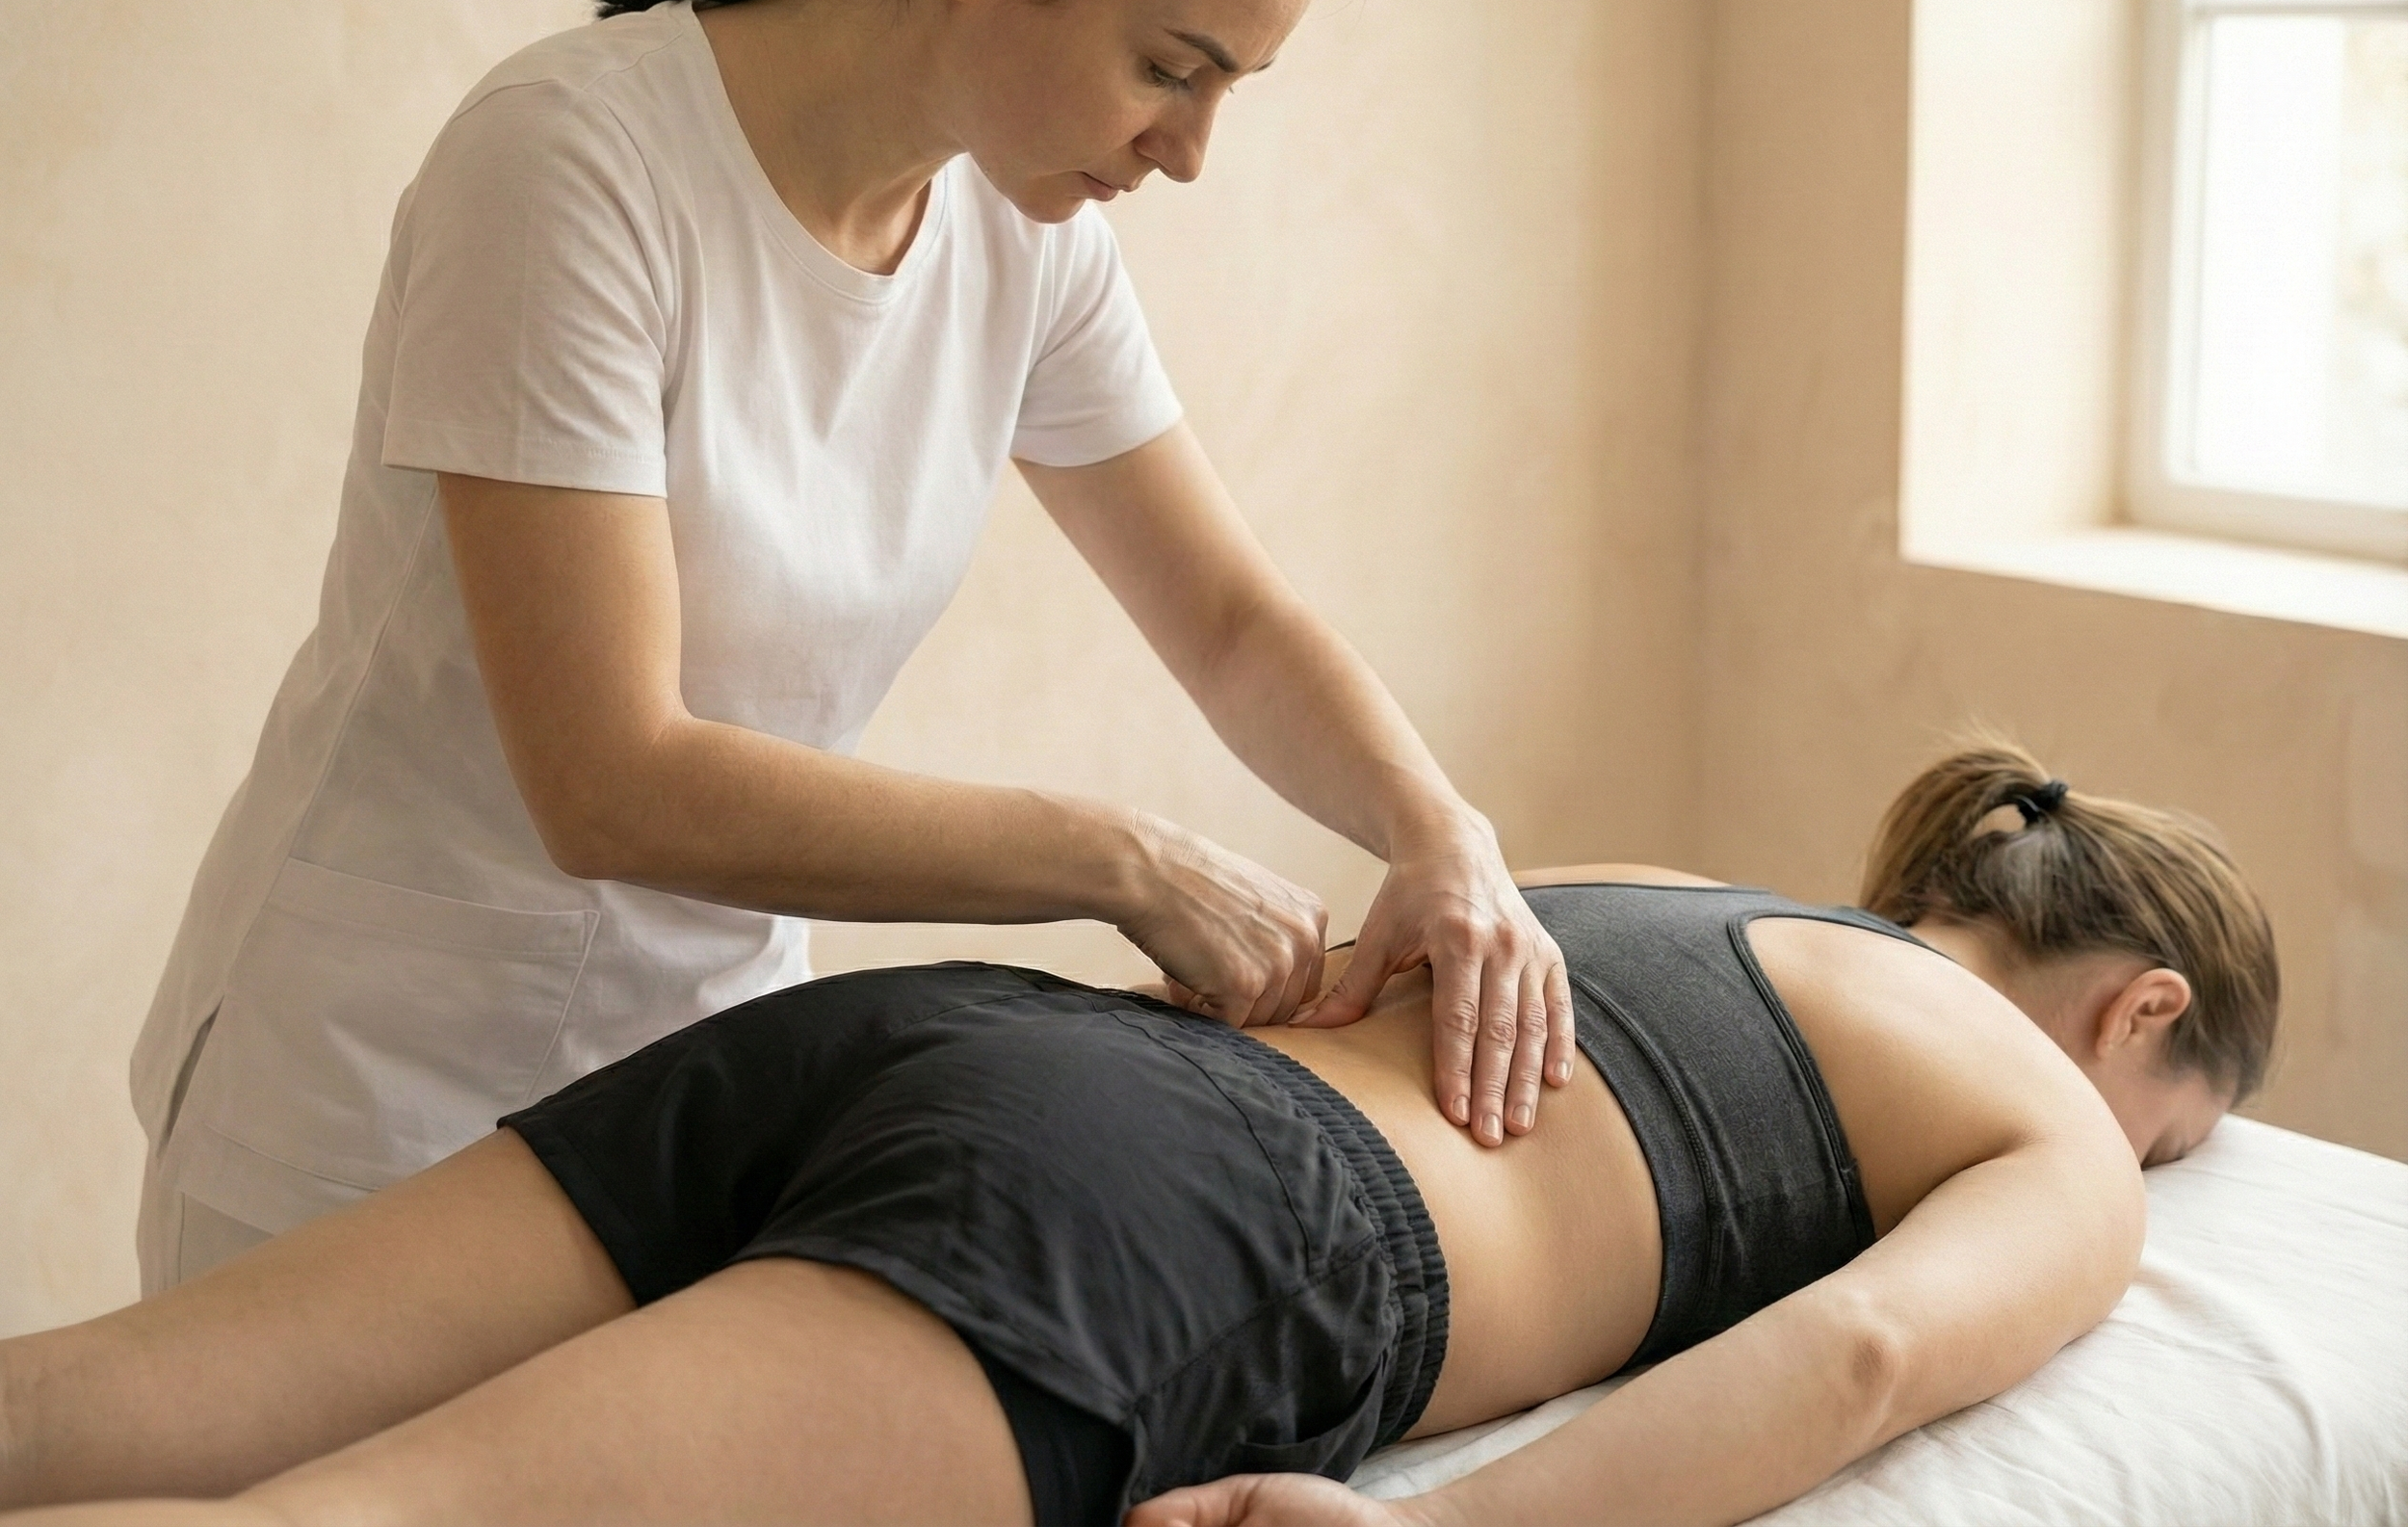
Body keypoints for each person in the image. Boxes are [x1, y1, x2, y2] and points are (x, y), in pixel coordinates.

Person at [127, 0, 1578, 1296]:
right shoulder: (569, 165)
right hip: (375, 1099)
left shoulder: (1026, 237)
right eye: (1168, 69)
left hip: (695, 1089)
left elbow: (1228, 622)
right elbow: (610, 779)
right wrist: (1120, 861)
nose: (1189, 154)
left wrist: (1442, 836)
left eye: (1228, 90)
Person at [7, 745, 2279, 1526]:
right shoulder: (2046, 1127)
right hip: (1183, 1213)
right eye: (2164, 1134)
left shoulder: (1681, 896)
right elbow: (1868, 1359)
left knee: (111, 1396)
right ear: (2138, 1011)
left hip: (952, 1040)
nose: (2132, 1170)